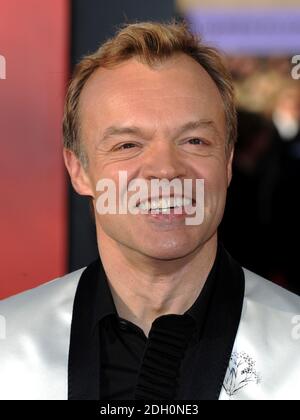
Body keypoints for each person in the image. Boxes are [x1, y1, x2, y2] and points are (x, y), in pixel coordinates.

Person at [0, 22, 299, 401]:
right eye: (127, 145)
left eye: (194, 140)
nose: (165, 170)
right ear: (79, 171)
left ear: (226, 163)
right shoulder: (8, 349)